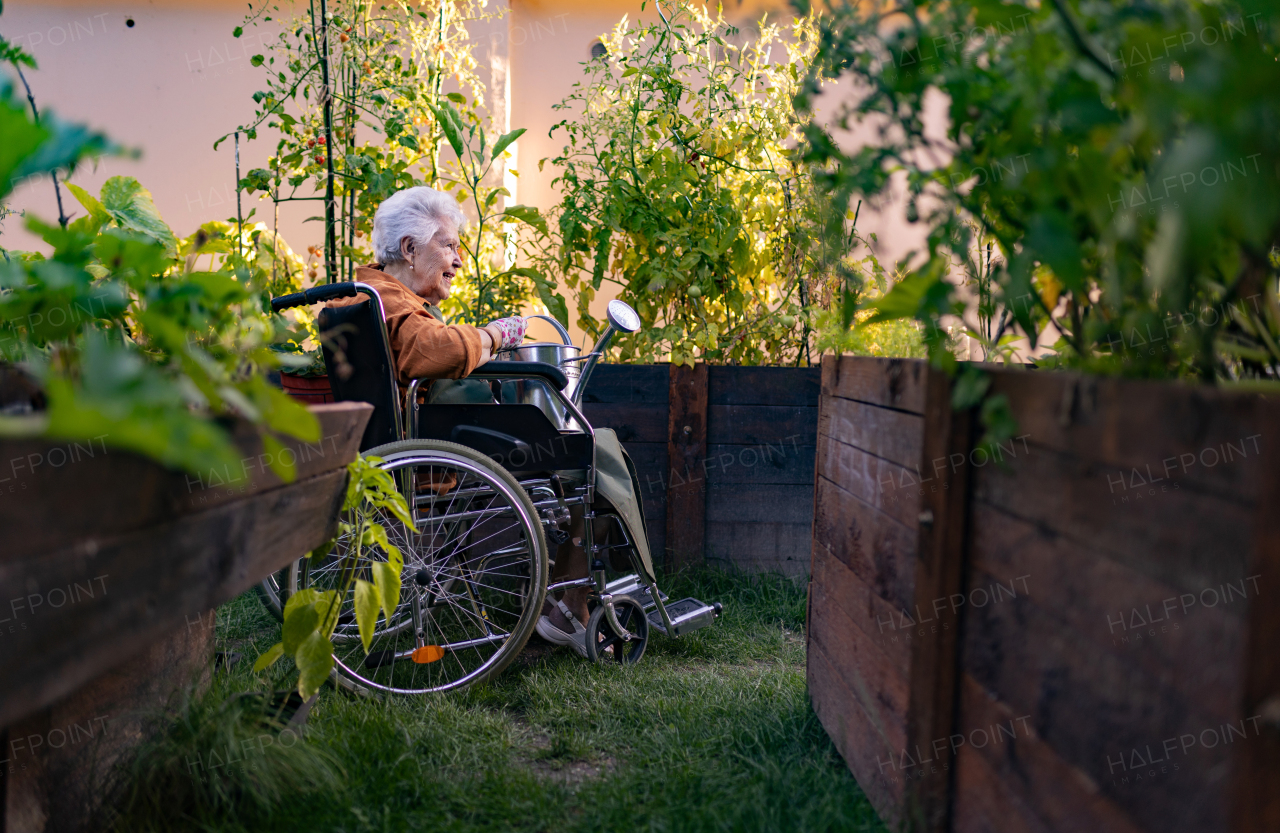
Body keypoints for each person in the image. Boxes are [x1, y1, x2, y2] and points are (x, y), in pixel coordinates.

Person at [326, 185, 622, 657]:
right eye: (448, 245)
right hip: (434, 450)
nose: (458, 259)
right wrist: (494, 334)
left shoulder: (363, 298)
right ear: (409, 249)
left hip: (408, 444)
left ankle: (563, 594)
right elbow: (437, 350)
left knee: (581, 450)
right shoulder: (390, 302)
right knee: (596, 451)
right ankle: (570, 603)